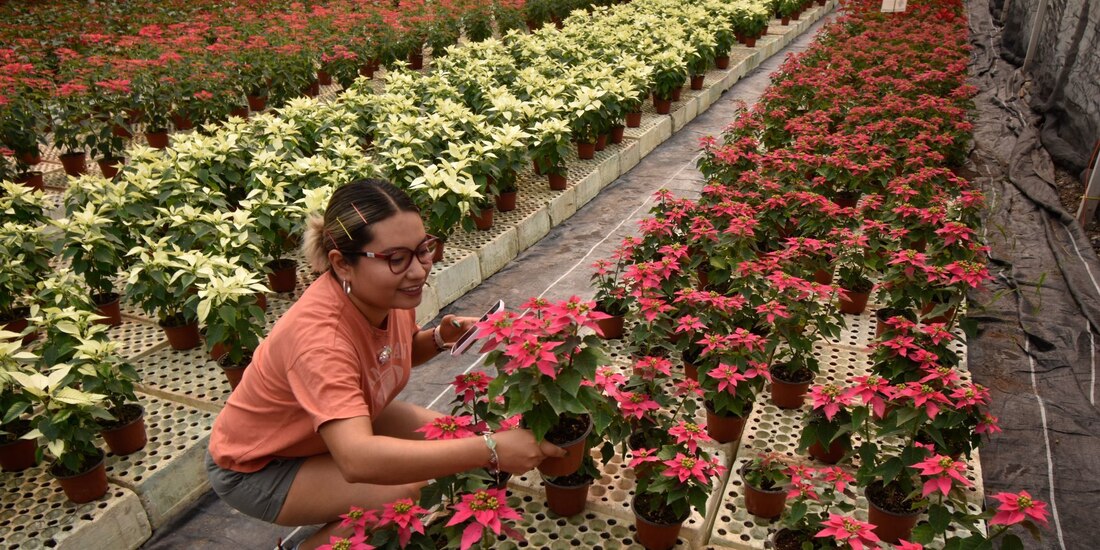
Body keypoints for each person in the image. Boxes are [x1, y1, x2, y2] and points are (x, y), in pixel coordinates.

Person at [206, 179, 564, 549]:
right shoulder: (320, 340)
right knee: (402, 495)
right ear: (342, 263)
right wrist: (493, 449)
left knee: (456, 435)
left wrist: (441, 338)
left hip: (334, 423)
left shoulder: (384, 297)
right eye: (396, 258)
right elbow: (358, 459)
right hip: (259, 466)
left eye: (423, 249)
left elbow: (397, 350)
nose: (418, 271)